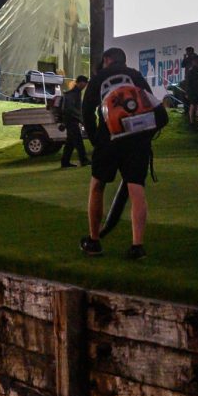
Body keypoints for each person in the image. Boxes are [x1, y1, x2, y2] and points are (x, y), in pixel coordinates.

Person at [80, 48, 166, 260]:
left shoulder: (98, 78)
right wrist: (146, 134)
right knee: (136, 190)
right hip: (137, 140)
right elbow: (155, 108)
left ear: (107, 60)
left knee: (97, 186)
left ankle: (94, 241)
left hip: (108, 139)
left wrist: (95, 139)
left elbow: (87, 111)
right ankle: (137, 246)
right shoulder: (135, 76)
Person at [58, 74, 89, 168]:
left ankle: (65, 162)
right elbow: (71, 109)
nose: (84, 86)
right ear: (80, 83)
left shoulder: (75, 92)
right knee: (78, 141)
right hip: (71, 121)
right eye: (84, 84)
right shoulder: (74, 93)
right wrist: (81, 118)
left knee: (70, 143)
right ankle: (83, 160)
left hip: (70, 120)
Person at [183, 48, 198, 129]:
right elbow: (189, 83)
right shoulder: (192, 71)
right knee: (193, 106)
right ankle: (193, 121)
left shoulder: (195, 71)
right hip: (194, 91)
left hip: (197, 91)